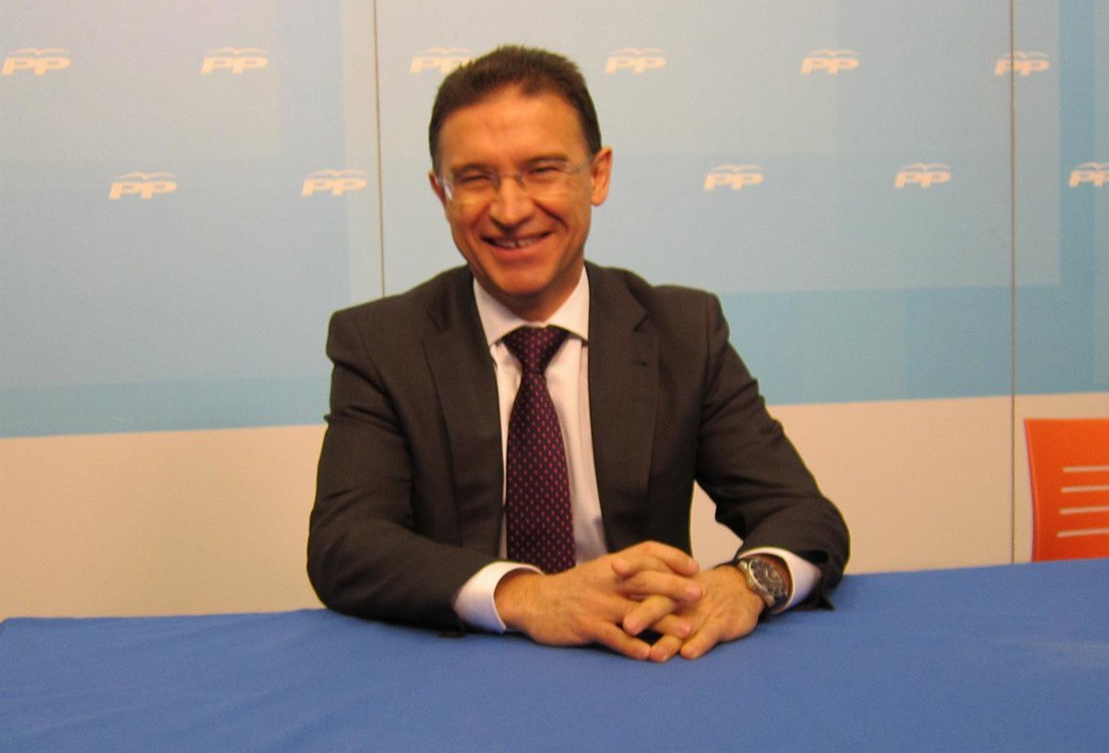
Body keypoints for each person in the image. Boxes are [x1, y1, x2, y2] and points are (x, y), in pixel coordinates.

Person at [307, 45, 849, 662]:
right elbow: (345, 544)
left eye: (542, 171)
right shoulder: (382, 344)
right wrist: (526, 596)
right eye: (476, 179)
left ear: (598, 176)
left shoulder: (682, 332)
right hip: (461, 674)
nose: (511, 210)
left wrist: (744, 584)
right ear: (442, 193)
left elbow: (803, 515)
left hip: (644, 671)